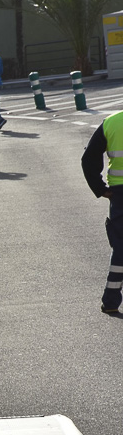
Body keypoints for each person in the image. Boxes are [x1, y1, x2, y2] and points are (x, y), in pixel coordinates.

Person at [82, 110, 123, 313]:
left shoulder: (112, 122)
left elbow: (88, 158)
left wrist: (100, 189)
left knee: (121, 249)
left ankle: (111, 301)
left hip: (120, 193)